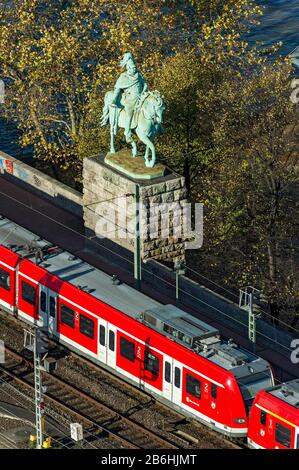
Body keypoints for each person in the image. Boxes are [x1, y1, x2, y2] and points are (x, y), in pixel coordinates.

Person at [111, 52, 148, 139]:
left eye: (135, 67)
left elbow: (144, 83)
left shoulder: (138, 75)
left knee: (153, 106)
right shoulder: (123, 76)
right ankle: (127, 131)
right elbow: (118, 87)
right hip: (131, 99)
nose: (134, 69)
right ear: (128, 68)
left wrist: (144, 90)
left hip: (141, 96)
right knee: (130, 112)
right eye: (132, 68)